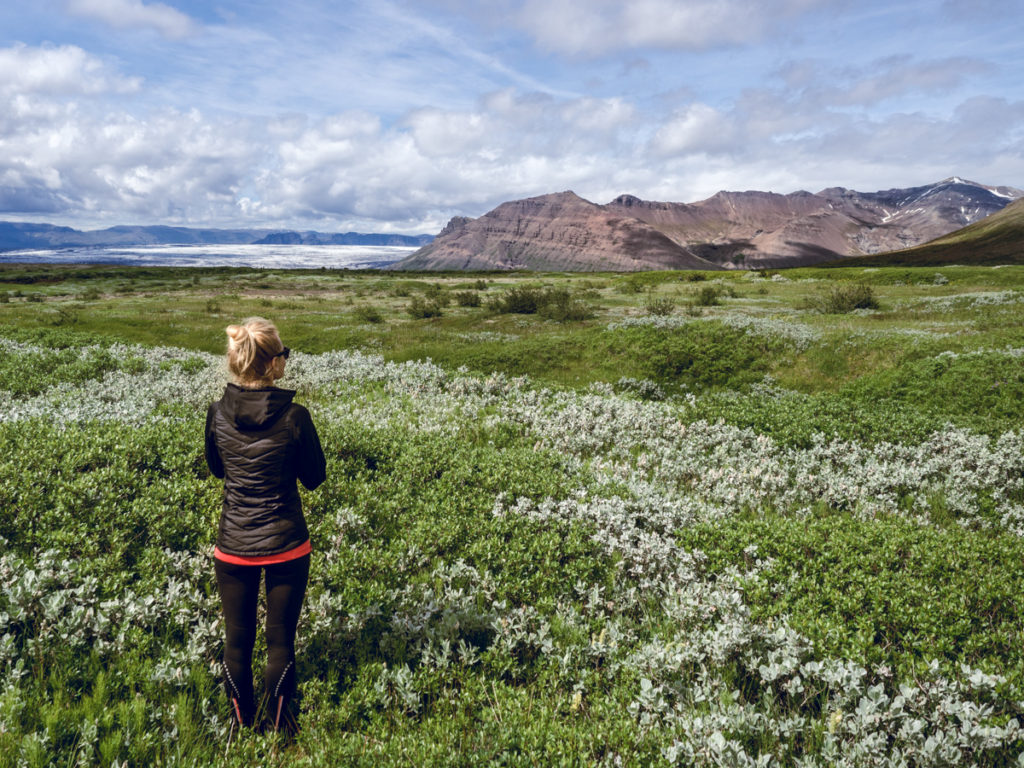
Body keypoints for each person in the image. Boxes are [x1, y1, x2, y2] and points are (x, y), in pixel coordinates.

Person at [204, 317, 326, 737]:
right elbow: (314, 477)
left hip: (232, 544)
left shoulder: (217, 414)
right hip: (287, 543)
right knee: (281, 642)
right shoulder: (296, 417)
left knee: (236, 641)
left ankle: (241, 728)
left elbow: (218, 469)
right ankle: (280, 730)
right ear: (274, 364)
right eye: (284, 354)